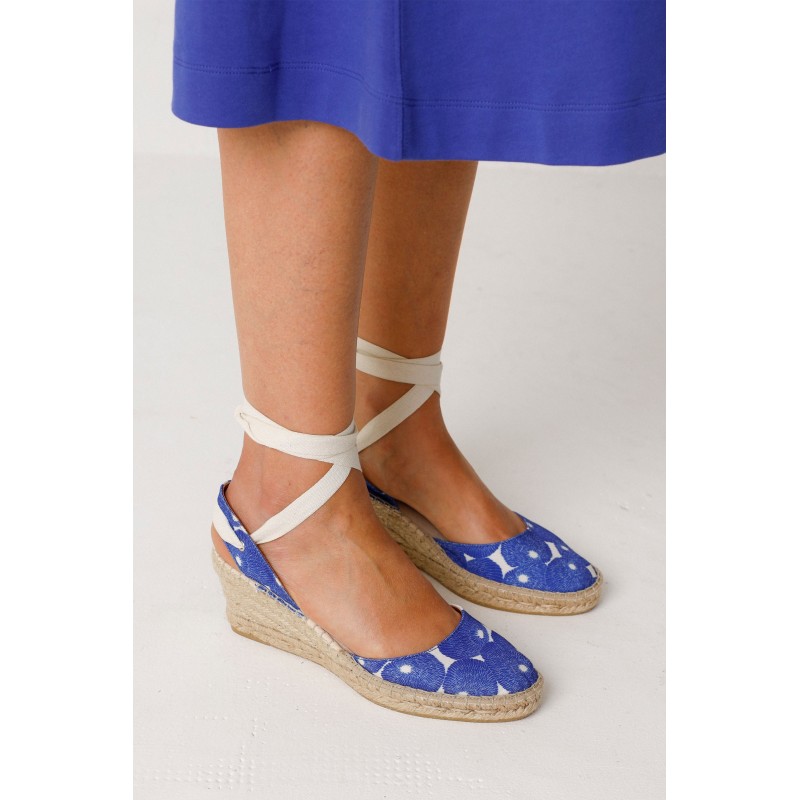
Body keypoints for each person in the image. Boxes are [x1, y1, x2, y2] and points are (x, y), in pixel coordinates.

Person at [171, 0, 665, 722]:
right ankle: (290, 491)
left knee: (449, 17)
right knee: (318, 17)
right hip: (289, 505)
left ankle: (395, 421)